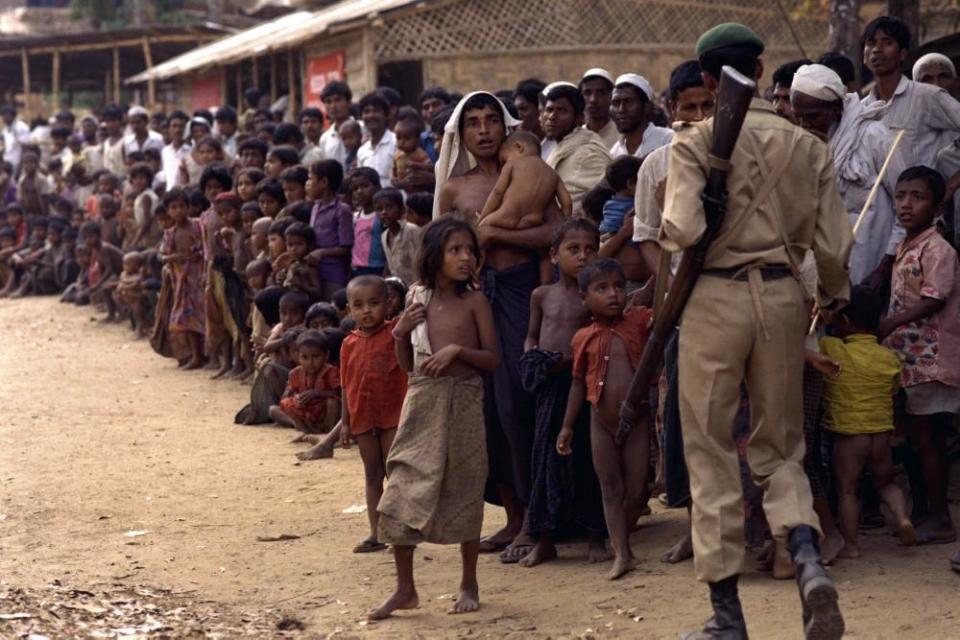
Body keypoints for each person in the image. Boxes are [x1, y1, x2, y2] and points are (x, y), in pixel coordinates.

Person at [660, 23, 851, 638]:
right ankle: (809, 562)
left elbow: (684, 229)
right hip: (783, 297)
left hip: (715, 297)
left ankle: (727, 619)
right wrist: (831, 298)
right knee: (780, 449)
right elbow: (833, 249)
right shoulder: (807, 145)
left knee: (711, 452)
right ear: (763, 70)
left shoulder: (695, 141)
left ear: (708, 79)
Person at [435, 91, 562, 560]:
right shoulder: (454, 189)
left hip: (523, 293)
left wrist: (494, 232)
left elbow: (555, 233)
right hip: (475, 300)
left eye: (492, 120)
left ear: (507, 128)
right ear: (461, 133)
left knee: (520, 402)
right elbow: (441, 252)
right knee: (488, 409)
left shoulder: (533, 173)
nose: (484, 130)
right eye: (473, 123)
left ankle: (540, 517)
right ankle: (513, 517)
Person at [370, 217, 499, 620]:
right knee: (404, 485)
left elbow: (493, 360)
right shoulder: (417, 298)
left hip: (464, 400)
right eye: (455, 250)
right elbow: (409, 365)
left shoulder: (475, 301)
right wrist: (399, 332)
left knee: (464, 484)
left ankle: (469, 581)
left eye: (470, 251)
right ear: (434, 256)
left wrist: (458, 351)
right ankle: (405, 589)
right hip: (423, 402)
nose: (465, 258)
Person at [555, 258, 651, 580]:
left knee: (637, 489)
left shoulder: (638, 321)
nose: (613, 295)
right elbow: (578, 383)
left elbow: (657, 297)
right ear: (584, 298)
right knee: (609, 488)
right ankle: (622, 552)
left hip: (636, 421)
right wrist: (568, 426)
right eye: (602, 288)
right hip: (600, 423)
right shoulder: (583, 337)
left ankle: (624, 536)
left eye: (619, 287)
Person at [878, 166, 959, 546]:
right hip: (908, 360)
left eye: (918, 197)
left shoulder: (938, 248)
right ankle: (926, 511)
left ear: (937, 203)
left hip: (931, 359)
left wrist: (891, 322)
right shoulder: (906, 245)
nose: (906, 204)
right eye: (901, 196)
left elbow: (934, 297)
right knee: (914, 438)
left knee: (930, 439)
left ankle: (941, 517)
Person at [519, 219, 606, 568]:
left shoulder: (593, 297)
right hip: (550, 388)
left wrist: (569, 360)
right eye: (573, 250)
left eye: (590, 249)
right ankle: (545, 539)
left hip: (585, 385)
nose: (582, 256)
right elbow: (531, 334)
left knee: (588, 459)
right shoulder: (541, 295)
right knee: (545, 460)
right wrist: (531, 355)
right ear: (554, 255)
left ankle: (596, 535)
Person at [819, 286, 915, 558]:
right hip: (881, 435)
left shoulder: (832, 348)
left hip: (850, 437)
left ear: (844, 322)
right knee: (886, 483)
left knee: (848, 490)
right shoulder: (888, 357)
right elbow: (894, 392)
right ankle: (901, 518)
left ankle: (851, 546)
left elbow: (815, 341)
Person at [339, 275, 408, 554]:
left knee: (396, 474)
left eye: (374, 303)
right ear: (349, 310)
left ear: (388, 304)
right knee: (372, 474)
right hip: (362, 417)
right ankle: (376, 532)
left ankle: (400, 531)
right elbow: (345, 385)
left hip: (392, 415)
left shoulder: (395, 334)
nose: (366, 311)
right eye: (359, 305)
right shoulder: (348, 344)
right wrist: (345, 422)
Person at [862, 16, 960, 168]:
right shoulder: (862, 109)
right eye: (871, 43)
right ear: (864, 56)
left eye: (887, 42)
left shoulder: (927, 96)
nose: (877, 49)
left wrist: (953, 184)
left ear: (902, 54)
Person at [540, 83, 612, 214]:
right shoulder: (561, 146)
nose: (552, 117)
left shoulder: (589, 154)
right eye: (549, 110)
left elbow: (602, 203)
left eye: (561, 110)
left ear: (579, 118)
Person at [480, 130, 573, 230]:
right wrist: (564, 224)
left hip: (507, 215)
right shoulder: (553, 173)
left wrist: (483, 216)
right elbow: (567, 202)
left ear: (519, 147)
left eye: (504, 159)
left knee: (482, 227)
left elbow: (497, 192)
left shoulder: (512, 165)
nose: (503, 164)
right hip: (534, 219)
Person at [160, 188, 206, 369]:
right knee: (184, 320)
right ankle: (193, 355)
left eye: (181, 206)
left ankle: (204, 355)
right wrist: (180, 257)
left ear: (188, 207)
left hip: (199, 279)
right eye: (173, 207)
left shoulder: (197, 226)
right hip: (181, 282)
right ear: (168, 210)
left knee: (202, 316)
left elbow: (205, 249)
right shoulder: (170, 233)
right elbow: (164, 256)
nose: (178, 210)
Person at [269, 329, 340, 434]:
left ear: (326, 355)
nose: (310, 362)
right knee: (274, 409)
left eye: (315, 357)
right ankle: (302, 427)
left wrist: (317, 393)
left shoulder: (331, 371)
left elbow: (341, 394)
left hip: (324, 413)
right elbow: (286, 397)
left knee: (333, 403)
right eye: (305, 357)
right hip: (305, 411)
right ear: (298, 356)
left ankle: (329, 432)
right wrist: (297, 398)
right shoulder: (295, 373)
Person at [305, 160, 352, 300]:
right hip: (314, 271)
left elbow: (346, 247)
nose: (307, 183)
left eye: (310, 178)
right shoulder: (315, 207)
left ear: (324, 182)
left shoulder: (342, 210)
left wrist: (322, 252)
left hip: (333, 273)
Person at [609, 73, 674, 160]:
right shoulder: (614, 152)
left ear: (647, 107)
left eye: (629, 102)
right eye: (616, 103)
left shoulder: (668, 140)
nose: (621, 109)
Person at [377, 187, 422, 286]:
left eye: (389, 207)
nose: (384, 212)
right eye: (379, 209)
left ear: (401, 209)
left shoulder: (411, 230)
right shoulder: (384, 236)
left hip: (416, 287)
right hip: (400, 289)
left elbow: (421, 263)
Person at [349, 167, 387, 278]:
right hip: (357, 268)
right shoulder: (356, 217)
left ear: (377, 187)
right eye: (355, 188)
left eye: (364, 186)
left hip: (377, 269)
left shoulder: (382, 216)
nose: (359, 191)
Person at [357, 92, 397, 188]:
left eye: (376, 111)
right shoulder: (362, 151)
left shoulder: (396, 142)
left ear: (386, 115)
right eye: (366, 111)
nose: (371, 115)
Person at [599, 156, 641, 236]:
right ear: (630, 184)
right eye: (642, 179)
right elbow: (607, 232)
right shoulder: (623, 207)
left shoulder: (610, 204)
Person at [580, 68, 619, 149]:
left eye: (600, 93)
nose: (593, 99)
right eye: (587, 93)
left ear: (611, 96)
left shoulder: (622, 136)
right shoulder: (575, 137)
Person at [319, 81, 355, 167]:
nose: (333, 106)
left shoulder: (363, 129)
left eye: (338, 100)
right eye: (328, 102)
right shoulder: (325, 139)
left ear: (349, 102)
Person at [391, 118, 431, 192]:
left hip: (418, 190)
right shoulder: (398, 154)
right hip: (403, 189)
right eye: (398, 138)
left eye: (407, 138)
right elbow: (393, 168)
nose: (402, 142)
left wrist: (417, 165)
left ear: (417, 139)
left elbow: (430, 167)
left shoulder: (419, 153)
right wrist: (393, 178)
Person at [418, 86, 451, 162]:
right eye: (426, 107)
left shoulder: (460, 134)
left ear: (448, 105)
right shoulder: (420, 140)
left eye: (436, 104)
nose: (431, 110)